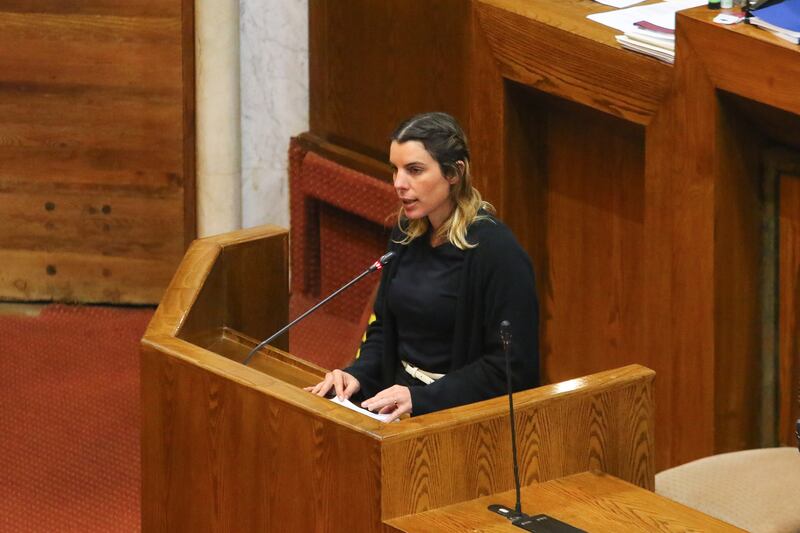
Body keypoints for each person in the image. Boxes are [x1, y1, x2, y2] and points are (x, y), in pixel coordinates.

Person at [306, 112, 539, 421]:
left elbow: (511, 368)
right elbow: (384, 329)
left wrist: (421, 398)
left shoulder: (498, 253)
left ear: (454, 173)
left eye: (414, 170)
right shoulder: (405, 234)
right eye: (395, 170)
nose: (399, 184)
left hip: (457, 415)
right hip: (394, 401)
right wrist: (357, 375)